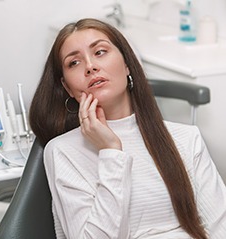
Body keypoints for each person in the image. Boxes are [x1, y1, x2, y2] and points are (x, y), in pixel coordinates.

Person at [29, 18, 226, 239]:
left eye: (100, 52)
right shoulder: (62, 152)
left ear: (127, 64)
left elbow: (220, 229)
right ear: (67, 87)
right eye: (74, 63)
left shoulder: (187, 139)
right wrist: (110, 151)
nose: (90, 66)